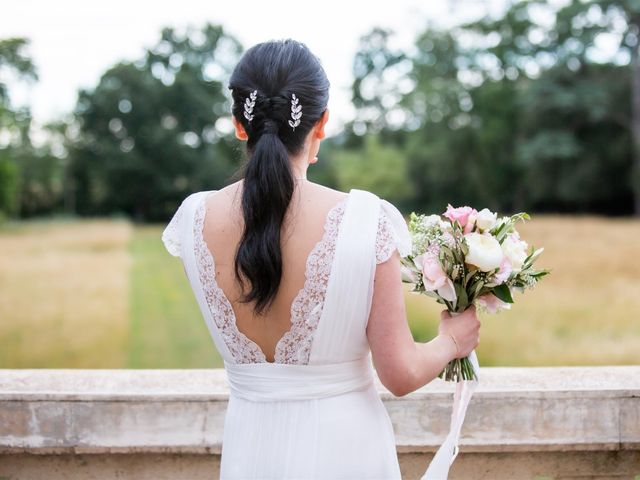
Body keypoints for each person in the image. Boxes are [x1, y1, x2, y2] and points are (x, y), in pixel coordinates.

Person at [161, 38, 481, 480]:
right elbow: (401, 374)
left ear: (239, 124)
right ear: (322, 122)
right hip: (346, 451)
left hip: (249, 453)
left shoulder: (194, 218)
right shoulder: (367, 220)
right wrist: (453, 341)